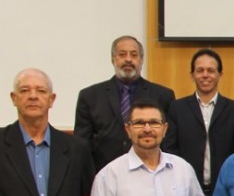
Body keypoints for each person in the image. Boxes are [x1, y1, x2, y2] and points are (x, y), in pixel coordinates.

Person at [75, 35, 175, 170]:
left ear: (141, 60)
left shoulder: (162, 95)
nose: (128, 59)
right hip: (104, 174)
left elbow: (168, 143)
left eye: (134, 55)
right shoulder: (90, 96)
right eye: (122, 54)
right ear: (113, 59)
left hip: (150, 173)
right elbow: (82, 146)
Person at [163, 48, 234, 196]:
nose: (205, 75)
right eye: (200, 70)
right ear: (192, 75)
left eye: (211, 70)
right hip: (184, 189)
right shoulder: (176, 108)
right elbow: (169, 149)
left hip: (224, 189)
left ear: (220, 75)